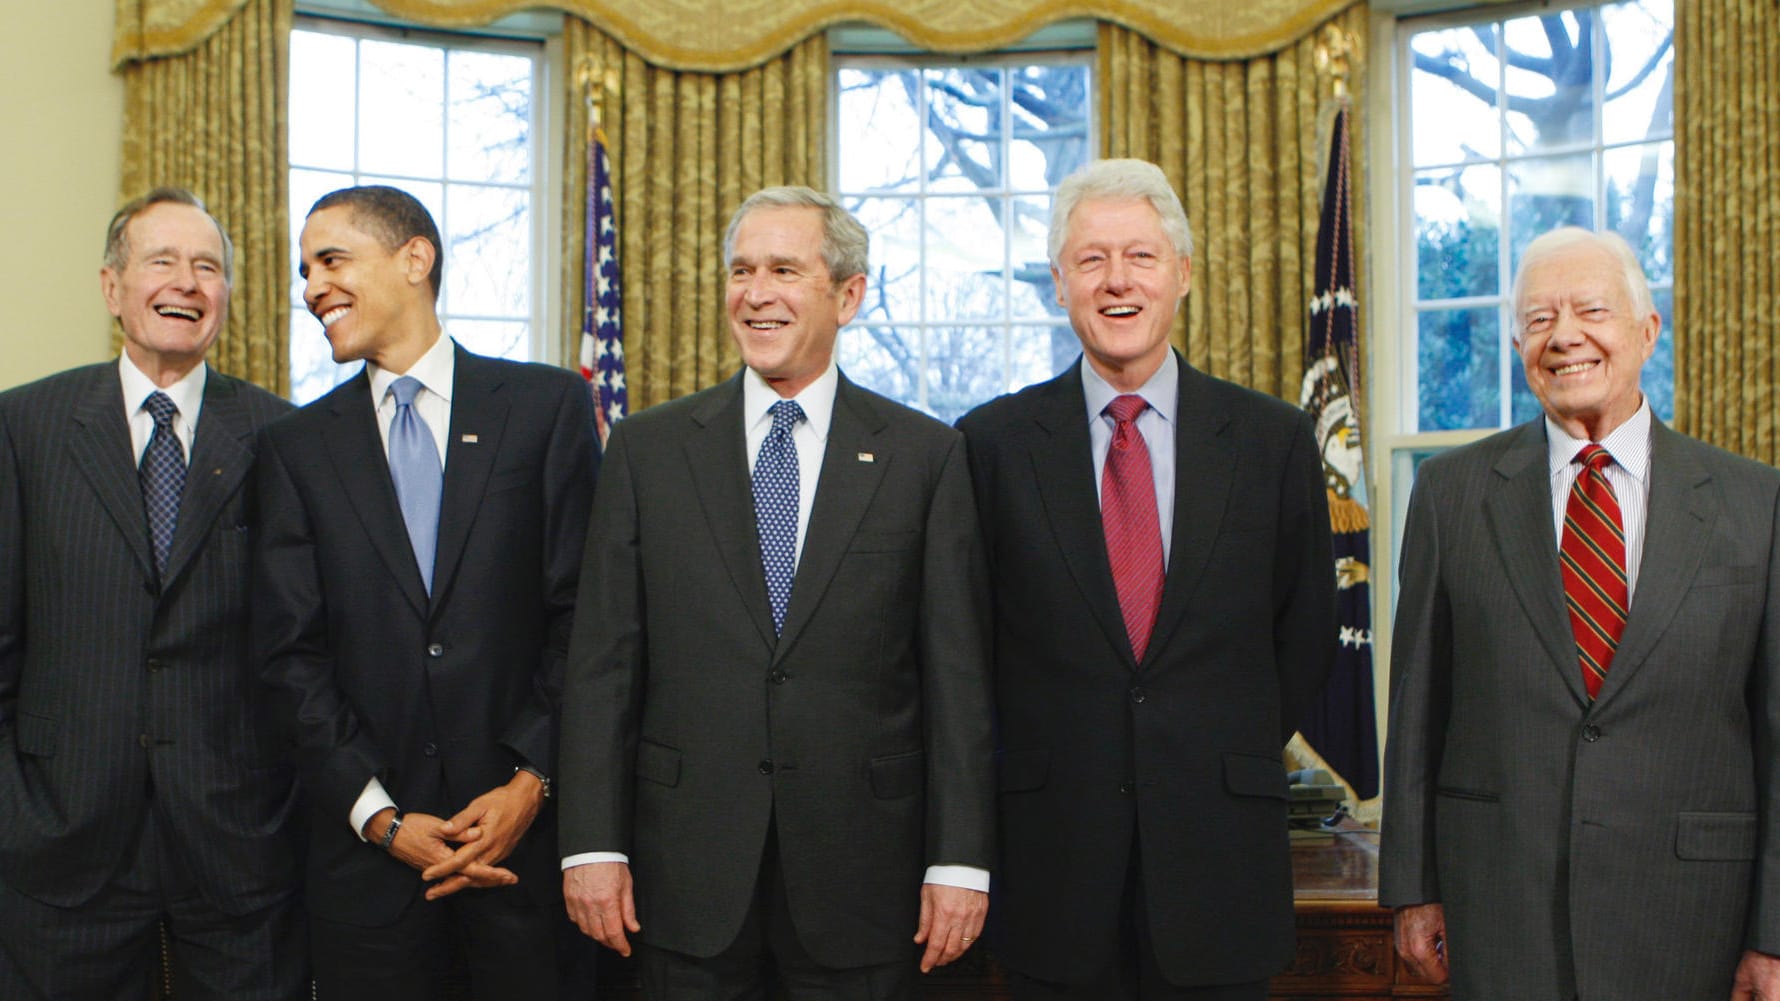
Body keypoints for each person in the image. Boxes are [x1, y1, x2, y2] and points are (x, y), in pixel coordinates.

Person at [558, 185, 995, 999]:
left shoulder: (925, 458)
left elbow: (957, 680)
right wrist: (591, 845)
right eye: (741, 270)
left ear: (849, 294)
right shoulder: (648, 451)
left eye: (784, 270)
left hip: (867, 883)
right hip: (680, 882)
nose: (755, 293)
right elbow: (602, 665)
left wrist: (960, 858)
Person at [955, 158, 1336, 1001]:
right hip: (1053, 874)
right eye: (1091, 260)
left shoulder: (1271, 442)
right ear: (1059, 283)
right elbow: (965, 650)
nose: (1116, 280)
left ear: (1184, 274)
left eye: (1141, 256)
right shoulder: (990, 446)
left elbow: (1304, 634)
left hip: (1221, 869)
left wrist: (1209, 744)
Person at [1379, 226, 1780, 1000]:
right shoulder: (1450, 494)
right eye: (1538, 320)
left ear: (1646, 330)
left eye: (1590, 309)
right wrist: (1411, 884)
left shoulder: (1754, 502)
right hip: (1501, 910)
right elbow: (1418, 704)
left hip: (1694, 917)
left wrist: (1775, 932)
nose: (1564, 336)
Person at [253, 185, 598, 1000]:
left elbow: (585, 618)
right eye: (305, 271)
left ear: (415, 258)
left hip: (527, 864)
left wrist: (529, 785)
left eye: (331, 260)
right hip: (369, 887)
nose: (311, 288)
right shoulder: (295, 449)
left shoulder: (546, 409)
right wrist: (380, 816)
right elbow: (288, 658)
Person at [0, 187, 303, 1000]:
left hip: (239, 844)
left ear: (228, 297)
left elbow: (306, 648)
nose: (187, 282)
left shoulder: (285, 439)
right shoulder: (23, 427)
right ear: (112, 287)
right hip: (59, 844)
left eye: (208, 267)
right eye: (162, 261)